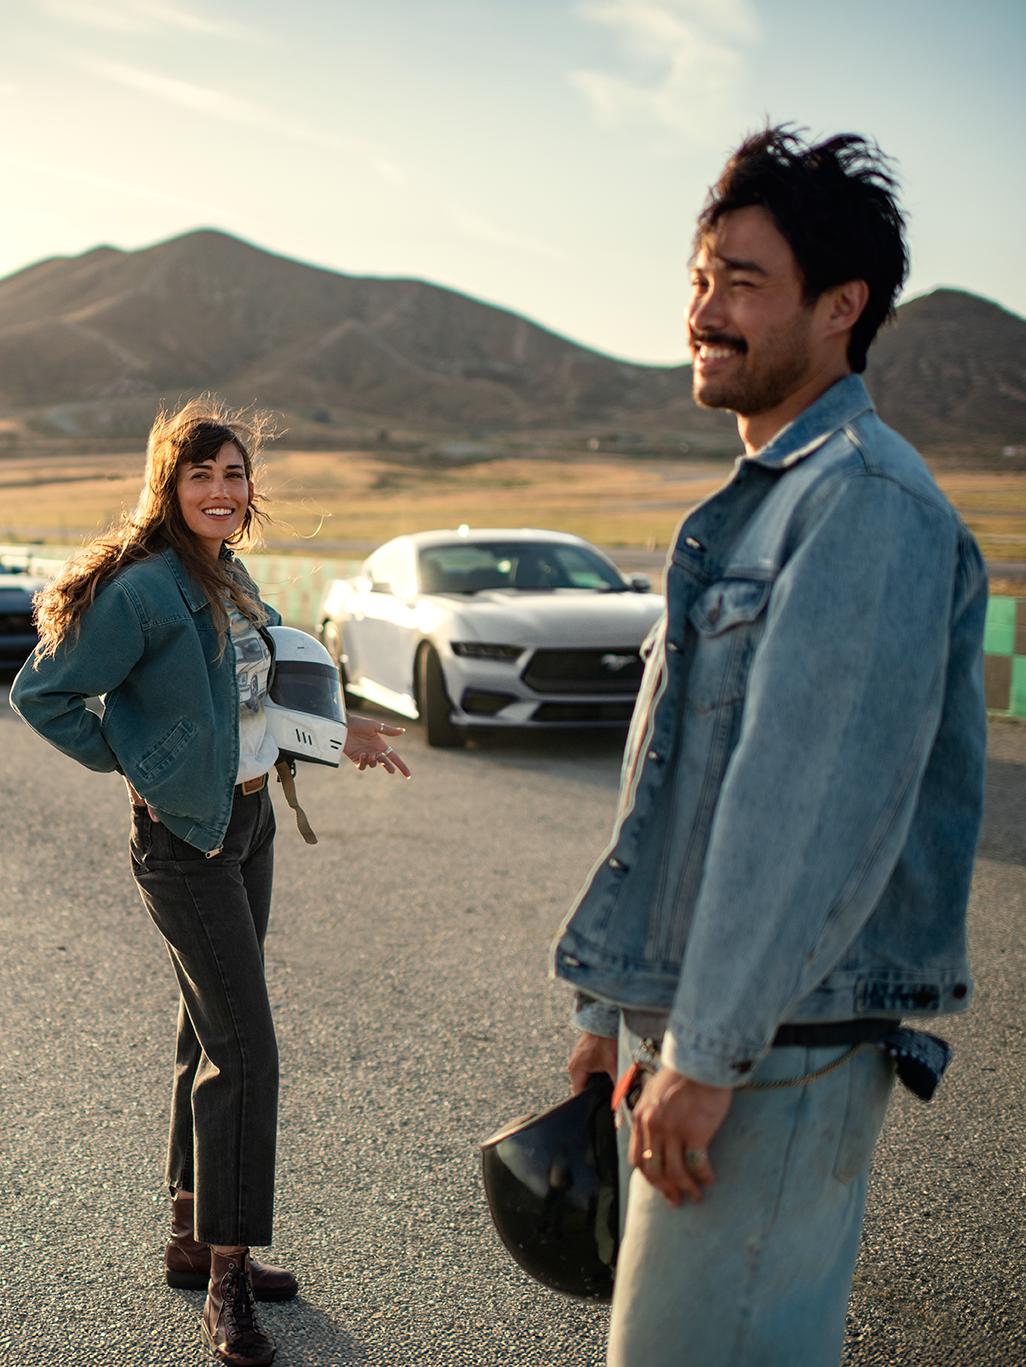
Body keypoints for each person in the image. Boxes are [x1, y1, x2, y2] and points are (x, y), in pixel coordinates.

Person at [552, 127, 987, 1366]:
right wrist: (611, 1009)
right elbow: (676, 789)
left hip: (770, 1050)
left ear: (841, 307)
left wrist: (706, 1049)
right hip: (707, 1034)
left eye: (743, 282)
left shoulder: (865, 503)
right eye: (701, 277)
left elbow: (804, 812)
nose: (706, 308)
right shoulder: (763, 503)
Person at [10, 399, 410, 1367]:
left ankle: (193, 1231)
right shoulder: (146, 591)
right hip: (183, 837)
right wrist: (139, 758)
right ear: (169, 486)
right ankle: (228, 1279)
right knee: (247, 1044)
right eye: (202, 476)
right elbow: (41, 690)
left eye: (233, 474)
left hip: (247, 822)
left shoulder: (230, 579)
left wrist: (340, 732)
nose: (222, 491)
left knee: (207, 1029)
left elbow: (265, 693)